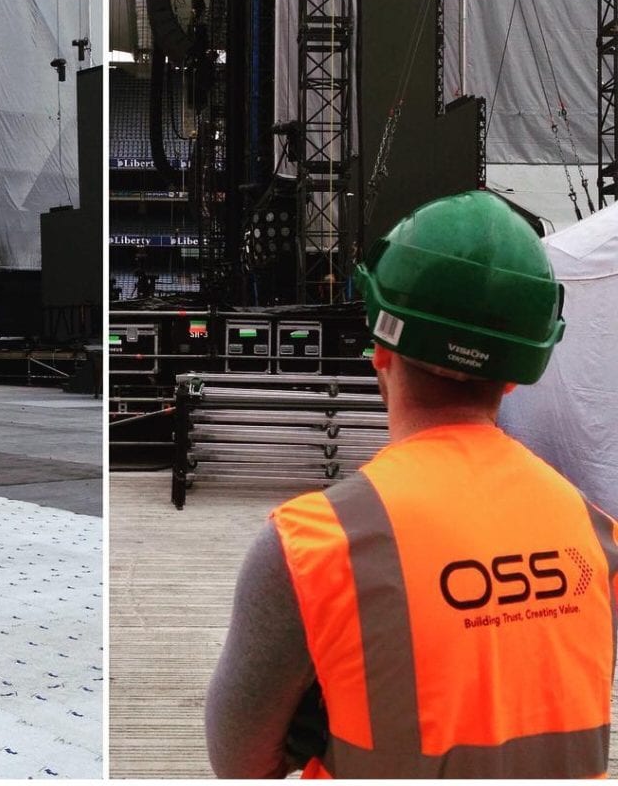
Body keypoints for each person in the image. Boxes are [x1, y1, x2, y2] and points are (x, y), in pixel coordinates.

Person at [205, 190, 618, 778]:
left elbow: (240, 764)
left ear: (380, 351)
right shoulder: (595, 535)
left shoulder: (314, 548)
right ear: (514, 378)